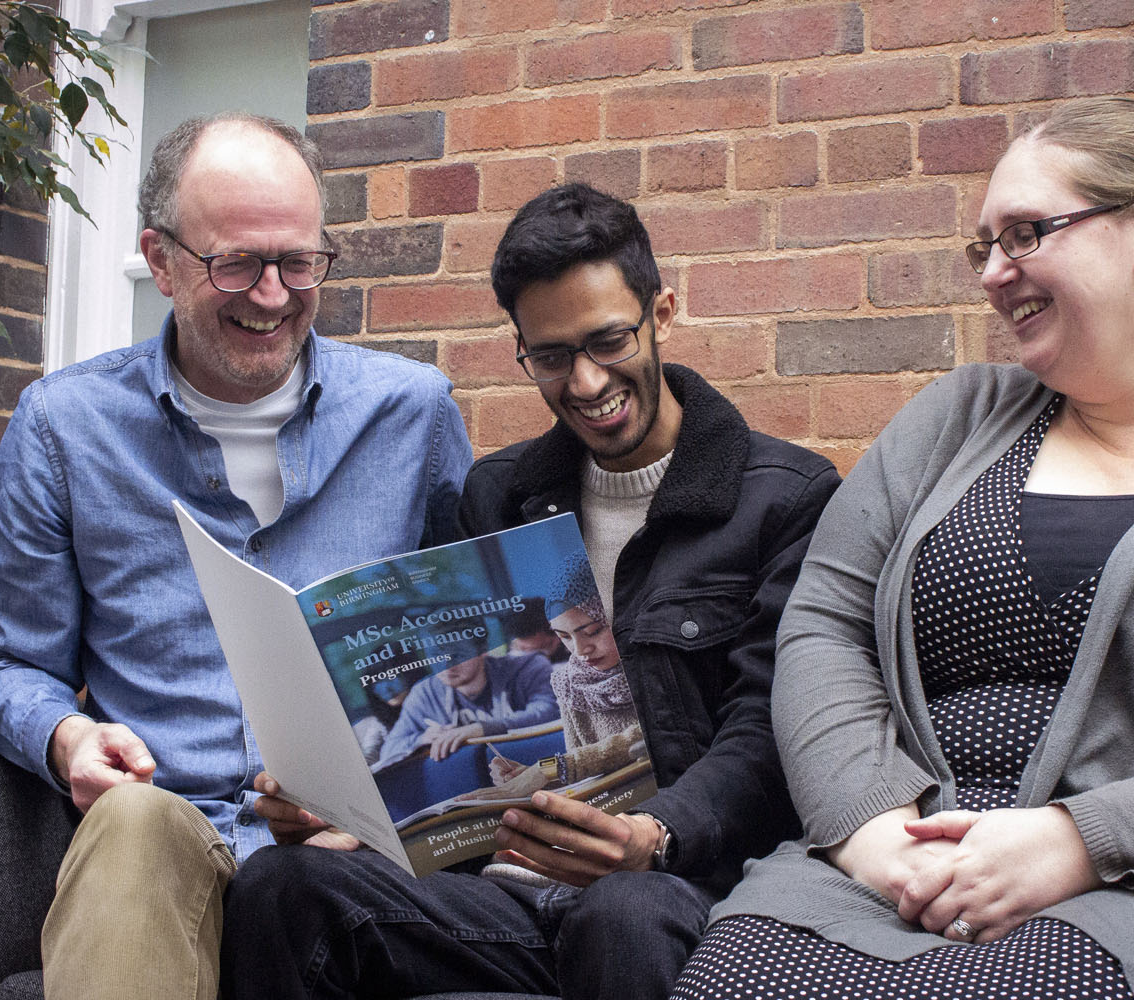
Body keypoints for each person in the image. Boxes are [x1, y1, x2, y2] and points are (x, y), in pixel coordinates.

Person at [671, 96, 1134, 1000]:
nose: (992, 273)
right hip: (893, 876)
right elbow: (825, 626)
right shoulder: (956, 420)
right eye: (982, 245)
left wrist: (1078, 842)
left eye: (1025, 233)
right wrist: (871, 832)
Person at [221, 182, 842, 1000]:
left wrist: (652, 836)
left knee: (621, 913)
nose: (585, 382)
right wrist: (352, 810)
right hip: (505, 891)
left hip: (684, 886)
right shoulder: (499, 495)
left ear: (663, 312)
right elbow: (447, 698)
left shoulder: (784, 498)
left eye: (608, 342)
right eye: (550, 357)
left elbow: (770, 734)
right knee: (281, 886)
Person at [0, 112, 473, 1000]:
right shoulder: (63, 429)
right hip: (165, 829)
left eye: (299, 262)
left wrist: (382, 798)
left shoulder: (415, 413)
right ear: (159, 260)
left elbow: (466, 651)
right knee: (132, 825)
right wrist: (69, 737)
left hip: (352, 859)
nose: (272, 294)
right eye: (235, 262)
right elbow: (8, 663)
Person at [490, 553, 643, 790]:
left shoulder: (654, 658)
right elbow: (584, 769)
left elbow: (645, 735)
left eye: (592, 631)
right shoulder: (570, 684)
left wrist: (552, 768)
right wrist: (533, 776)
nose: (580, 650)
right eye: (564, 637)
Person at [375, 620, 557, 765]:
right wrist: (422, 738)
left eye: (457, 655)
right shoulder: (424, 693)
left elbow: (549, 711)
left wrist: (481, 729)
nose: (445, 666)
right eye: (435, 656)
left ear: (483, 651)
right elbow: (389, 751)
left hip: (533, 764)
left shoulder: (529, 666)